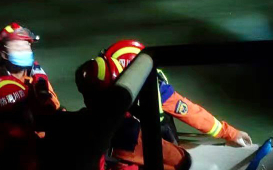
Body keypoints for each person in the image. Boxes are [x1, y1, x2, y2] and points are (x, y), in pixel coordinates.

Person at [102, 39, 252, 147]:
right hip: (153, 152)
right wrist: (230, 133)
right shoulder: (156, 88)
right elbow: (191, 113)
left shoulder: (99, 87)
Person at [0, 22, 60, 114]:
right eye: (18, 47)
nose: (24, 51)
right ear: (3, 53)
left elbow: (53, 106)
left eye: (27, 46)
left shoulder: (36, 76)